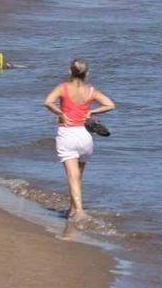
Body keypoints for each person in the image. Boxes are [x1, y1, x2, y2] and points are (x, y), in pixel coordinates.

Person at [43, 59, 113, 216]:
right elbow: (110, 104)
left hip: (68, 134)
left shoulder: (63, 87)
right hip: (85, 136)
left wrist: (60, 113)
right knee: (78, 176)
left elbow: (48, 102)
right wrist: (91, 112)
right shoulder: (91, 91)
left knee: (72, 177)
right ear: (87, 73)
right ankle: (72, 209)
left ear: (69, 71)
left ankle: (79, 211)